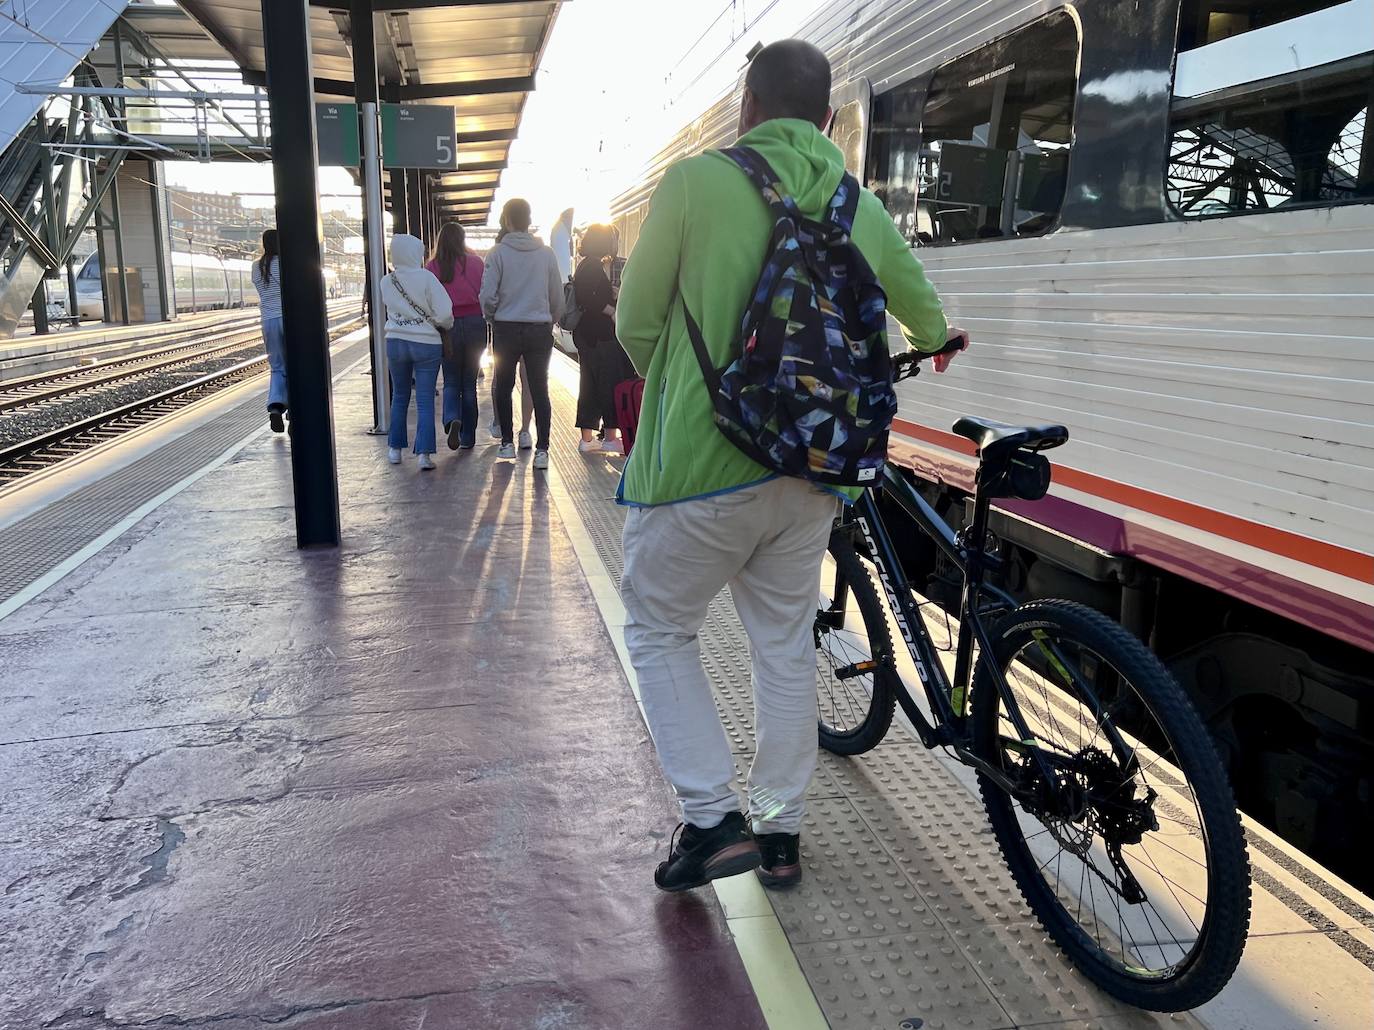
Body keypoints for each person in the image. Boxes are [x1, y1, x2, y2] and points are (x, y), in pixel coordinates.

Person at [615, 39, 968, 893]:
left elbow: (633, 323)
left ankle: (711, 819)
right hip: (813, 467)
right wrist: (935, 344)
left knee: (661, 629)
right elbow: (920, 306)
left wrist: (686, 392)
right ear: (828, 120)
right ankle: (781, 834)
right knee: (782, 646)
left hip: (700, 468)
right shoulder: (854, 200)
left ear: (748, 107)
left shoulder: (696, 183)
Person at [478, 198, 563, 471]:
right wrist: (551, 319)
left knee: (503, 385)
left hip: (506, 328)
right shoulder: (546, 253)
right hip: (539, 329)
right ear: (528, 220)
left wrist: (493, 317)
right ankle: (542, 451)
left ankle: (506, 443)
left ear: (507, 221)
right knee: (539, 388)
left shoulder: (497, 253)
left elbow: (487, 296)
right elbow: (556, 295)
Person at [380, 233, 453, 471]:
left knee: (399, 396)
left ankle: (394, 450)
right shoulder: (427, 278)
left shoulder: (386, 281)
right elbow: (444, 312)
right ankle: (424, 455)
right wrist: (441, 323)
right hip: (426, 344)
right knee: (424, 400)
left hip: (396, 341)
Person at [572, 223, 636, 453]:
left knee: (589, 385)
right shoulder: (592, 267)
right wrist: (612, 309)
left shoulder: (586, 265)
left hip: (589, 336)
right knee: (608, 383)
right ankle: (609, 436)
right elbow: (590, 299)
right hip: (599, 336)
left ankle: (588, 439)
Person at [425, 222, 485, 450]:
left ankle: (452, 419)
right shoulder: (477, 262)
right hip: (474, 324)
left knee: (451, 381)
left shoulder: (433, 266)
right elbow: (485, 292)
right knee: (469, 383)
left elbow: (429, 300)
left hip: (446, 328)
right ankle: (468, 437)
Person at [250, 229, 287, 433]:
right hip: (288, 320)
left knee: (277, 366)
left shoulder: (256, 267)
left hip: (268, 321)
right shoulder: (284, 263)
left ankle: (275, 406)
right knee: (294, 366)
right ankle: (294, 410)